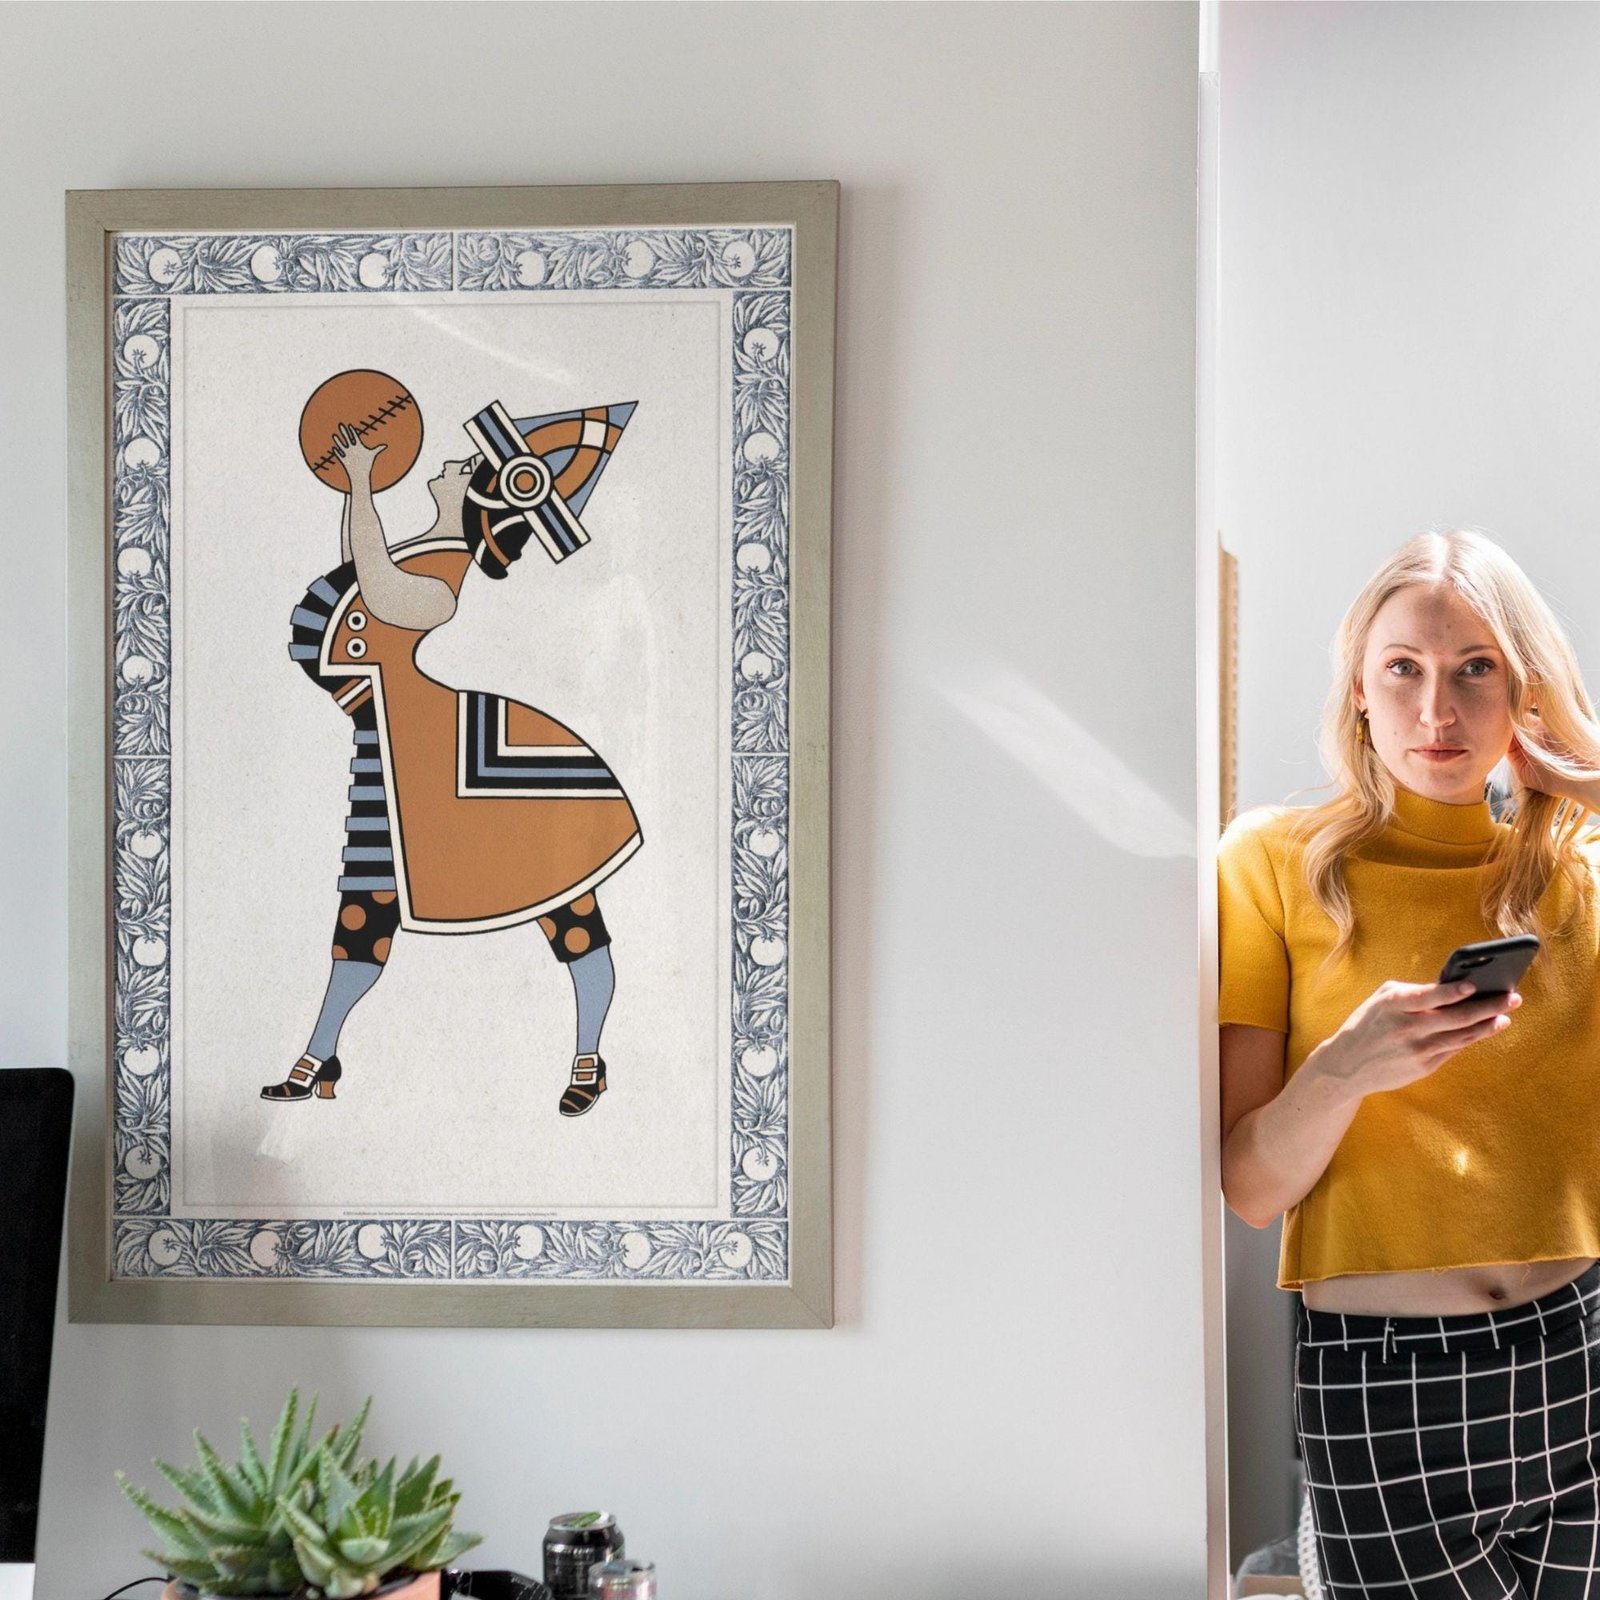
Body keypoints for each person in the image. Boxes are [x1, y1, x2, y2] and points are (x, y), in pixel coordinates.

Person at [1218, 528, 1600, 1598]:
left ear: (1522, 689)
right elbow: (1249, 1186)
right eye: (1404, 670)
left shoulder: (1577, 866)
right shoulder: (1271, 863)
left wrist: (1582, 781)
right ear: (1357, 689)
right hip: (1386, 1384)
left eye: (1475, 668)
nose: (1436, 712)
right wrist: (1344, 1069)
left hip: (1583, 1343)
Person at [262, 398, 641, 1117]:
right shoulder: (417, 556)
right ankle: (321, 1055)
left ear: (485, 498)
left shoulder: (438, 584)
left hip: (457, 761)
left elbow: (372, 583)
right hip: (396, 756)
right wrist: (357, 493)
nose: (451, 460)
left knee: (567, 905)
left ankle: (590, 1053)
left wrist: (367, 487)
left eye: (470, 465)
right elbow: (360, 566)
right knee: (363, 913)